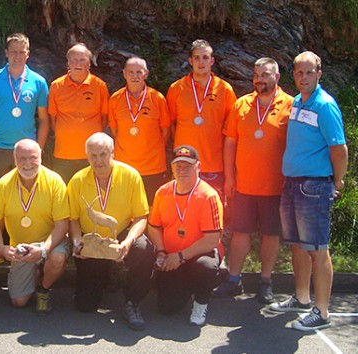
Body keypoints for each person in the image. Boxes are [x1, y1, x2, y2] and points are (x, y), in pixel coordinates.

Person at [269, 51, 348, 332]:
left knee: (317, 249)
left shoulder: (324, 105)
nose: (303, 78)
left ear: (319, 74)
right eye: (299, 73)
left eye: (309, 72)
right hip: (292, 183)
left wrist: (335, 184)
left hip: (315, 185)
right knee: (298, 246)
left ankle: (322, 311)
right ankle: (302, 298)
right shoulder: (299, 102)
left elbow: (339, 150)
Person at [213, 58, 293, 303]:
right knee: (240, 233)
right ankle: (234, 280)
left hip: (275, 187)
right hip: (243, 186)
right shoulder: (242, 104)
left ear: (277, 77)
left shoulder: (290, 105)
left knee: (270, 235)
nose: (260, 79)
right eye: (257, 75)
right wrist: (229, 177)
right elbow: (230, 142)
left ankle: (265, 282)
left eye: (265, 74)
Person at [68, 132, 155, 331]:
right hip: (92, 239)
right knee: (85, 306)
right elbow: (72, 219)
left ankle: (132, 302)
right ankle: (107, 274)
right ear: (87, 157)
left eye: (103, 154)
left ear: (113, 153)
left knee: (144, 250)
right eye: (93, 155)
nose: (98, 160)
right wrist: (76, 242)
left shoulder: (130, 175)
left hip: (122, 232)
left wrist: (129, 241)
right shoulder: (77, 181)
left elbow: (142, 216)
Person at [0, 139, 69, 314]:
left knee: (57, 259)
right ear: (14, 158)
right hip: (21, 249)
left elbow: (62, 224)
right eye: (21, 158)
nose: (27, 164)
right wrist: (1, 247)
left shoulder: (55, 182)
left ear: (41, 157)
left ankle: (44, 289)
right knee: (19, 301)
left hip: (50, 243)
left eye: (32, 158)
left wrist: (43, 250)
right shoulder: (2, 185)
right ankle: (37, 272)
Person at [148, 145, 223, 326]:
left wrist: (181, 257)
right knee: (166, 309)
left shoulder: (208, 196)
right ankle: (188, 284)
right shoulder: (163, 192)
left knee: (204, 267)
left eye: (188, 166)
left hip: (199, 255)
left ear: (198, 167)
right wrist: (161, 252)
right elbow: (153, 227)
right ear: (172, 169)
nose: (182, 170)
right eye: (178, 166)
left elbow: (212, 239)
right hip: (171, 256)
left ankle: (201, 302)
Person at [0, 33, 49, 195]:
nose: (17, 56)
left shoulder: (38, 82)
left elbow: (44, 119)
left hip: (27, 151)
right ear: (6, 53)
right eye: (14, 52)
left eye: (21, 52)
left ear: (27, 54)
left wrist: (39, 149)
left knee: (27, 194)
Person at [166, 39, 237, 197]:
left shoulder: (225, 90)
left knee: (213, 214)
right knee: (183, 213)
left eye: (205, 57)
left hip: (214, 166)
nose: (201, 62)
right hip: (183, 163)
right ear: (190, 61)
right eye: (196, 58)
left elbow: (231, 131)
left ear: (212, 61)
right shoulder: (176, 89)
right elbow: (171, 124)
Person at [108, 56, 171, 204]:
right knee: (126, 207)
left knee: (152, 208)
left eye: (139, 72)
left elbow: (166, 131)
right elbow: (114, 132)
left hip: (153, 167)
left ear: (146, 74)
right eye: (130, 72)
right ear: (124, 74)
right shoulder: (115, 99)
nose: (134, 76)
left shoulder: (157, 99)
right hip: (124, 166)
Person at [48, 43, 109, 183]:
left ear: (89, 63)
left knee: (93, 195)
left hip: (93, 155)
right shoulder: (56, 86)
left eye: (82, 60)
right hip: (63, 154)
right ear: (67, 63)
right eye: (74, 60)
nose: (78, 63)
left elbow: (104, 119)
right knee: (64, 196)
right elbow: (53, 119)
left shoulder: (100, 86)